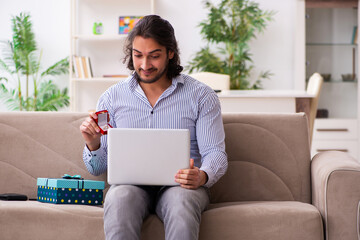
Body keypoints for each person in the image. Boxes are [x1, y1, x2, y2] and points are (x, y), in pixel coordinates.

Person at [80, 15, 228, 240]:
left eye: (154, 56)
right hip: (130, 186)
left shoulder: (202, 96)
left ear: (170, 52)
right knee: (118, 199)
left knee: (181, 204)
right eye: (138, 55)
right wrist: (93, 144)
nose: (145, 65)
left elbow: (216, 153)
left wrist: (203, 175)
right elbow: (97, 167)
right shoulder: (111, 98)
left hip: (182, 187)